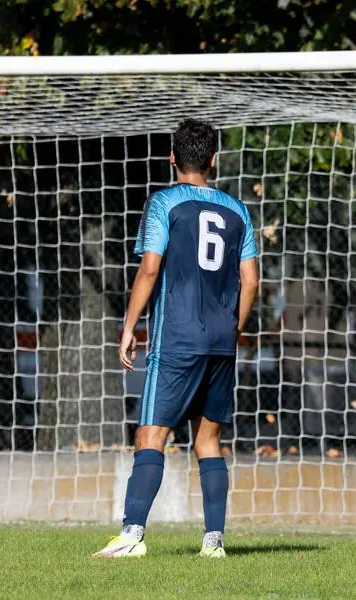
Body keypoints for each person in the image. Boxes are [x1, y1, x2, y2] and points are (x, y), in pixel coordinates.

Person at [93, 119, 259, 558]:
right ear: (213, 160)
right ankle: (214, 542)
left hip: (177, 338)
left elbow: (149, 268)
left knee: (151, 435)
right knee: (208, 440)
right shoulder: (237, 209)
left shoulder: (164, 202)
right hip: (221, 339)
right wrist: (234, 326)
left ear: (172, 157)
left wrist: (129, 326)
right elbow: (252, 280)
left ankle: (131, 536)